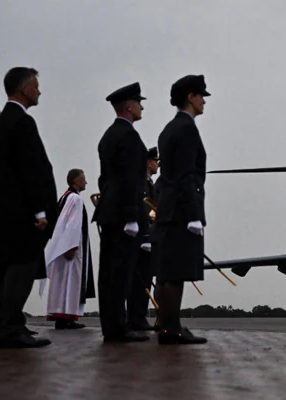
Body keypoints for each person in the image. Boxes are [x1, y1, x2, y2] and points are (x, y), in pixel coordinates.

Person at [0, 67, 57, 348]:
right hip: (23, 215)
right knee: (20, 270)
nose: (39, 91)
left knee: (9, 271)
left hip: (8, 213)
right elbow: (29, 170)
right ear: (24, 89)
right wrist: (39, 210)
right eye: (36, 86)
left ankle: (11, 324)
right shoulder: (22, 122)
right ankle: (10, 329)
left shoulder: (3, 122)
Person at [151, 74, 211, 345]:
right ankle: (172, 329)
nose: (203, 102)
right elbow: (187, 174)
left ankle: (166, 325)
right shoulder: (187, 129)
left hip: (167, 209)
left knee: (165, 273)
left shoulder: (168, 129)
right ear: (191, 97)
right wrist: (194, 214)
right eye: (201, 96)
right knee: (176, 272)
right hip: (181, 211)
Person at [92, 82, 149, 343]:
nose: (142, 106)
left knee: (109, 273)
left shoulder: (109, 135)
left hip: (109, 212)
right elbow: (129, 180)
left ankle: (112, 325)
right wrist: (131, 216)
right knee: (120, 273)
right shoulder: (128, 136)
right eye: (138, 102)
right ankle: (118, 328)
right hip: (123, 215)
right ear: (128, 106)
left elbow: (105, 181)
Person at [40, 169, 95, 329]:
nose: (86, 182)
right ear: (76, 181)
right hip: (71, 248)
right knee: (71, 281)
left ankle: (62, 316)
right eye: (83, 179)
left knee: (62, 282)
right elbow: (72, 225)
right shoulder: (75, 199)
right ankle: (67, 316)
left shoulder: (65, 197)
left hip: (63, 246)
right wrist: (72, 246)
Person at [127, 147, 159, 331]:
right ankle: (136, 318)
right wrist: (146, 236)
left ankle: (137, 316)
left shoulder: (147, 181)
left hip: (147, 237)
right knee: (141, 278)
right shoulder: (142, 182)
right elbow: (145, 210)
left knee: (144, 278)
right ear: (148, 162)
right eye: (155, 161)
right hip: (143, 238)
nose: (157, 165)